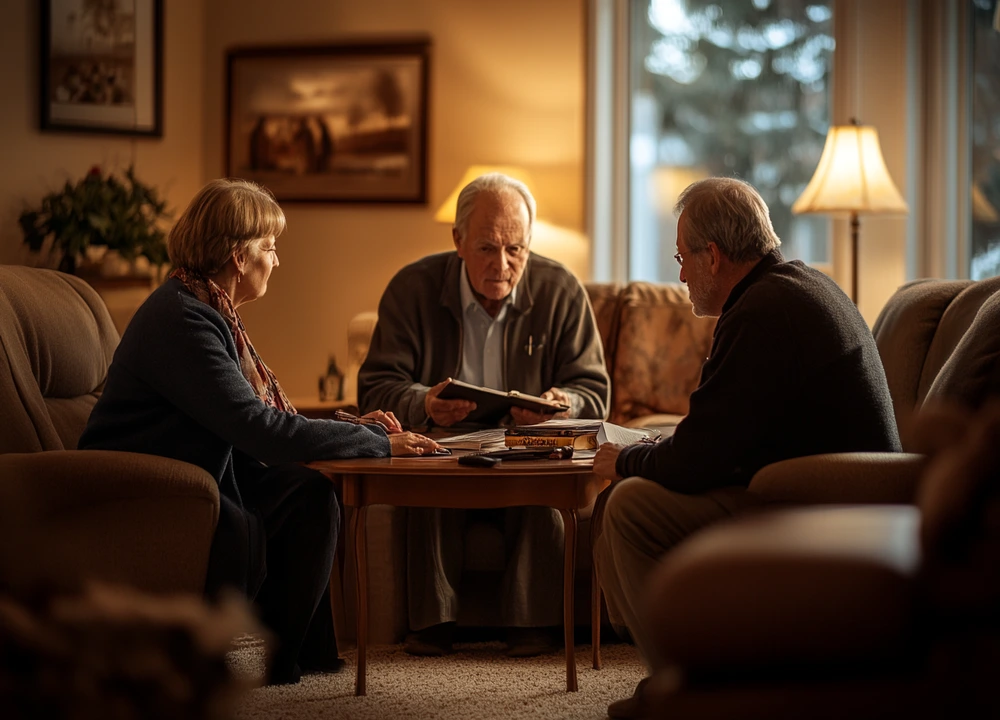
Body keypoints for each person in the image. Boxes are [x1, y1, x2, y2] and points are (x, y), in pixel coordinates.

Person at [78, 178, 440, 686]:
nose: (277, 260)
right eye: (270, 248)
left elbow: (257, 415)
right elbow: (259, 429)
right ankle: (277, 660)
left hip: (202, 474)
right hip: (151, 492)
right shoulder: (182, 319)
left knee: (308, 492)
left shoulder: (207, 309)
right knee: (302, 490)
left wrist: (353, 426)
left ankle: (291, 657)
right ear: (239, 256)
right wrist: (379, 443)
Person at [593, 177, 901, 719]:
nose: (680, 275)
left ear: (712, 256)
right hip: (831, 498)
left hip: (820, 508)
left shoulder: (762, 313)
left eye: (682, 258)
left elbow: (699, 461)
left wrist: (626, 458)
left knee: (630, 506)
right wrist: (658, 450)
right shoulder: (799, 286)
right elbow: (727, 434)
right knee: (639, 487)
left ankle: (686, 691)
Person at [357, 172, 610, 657]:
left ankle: (533, 625)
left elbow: (593, 392)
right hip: (443, 447)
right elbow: (375, 387)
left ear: (529, 243)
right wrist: (424, 402)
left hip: (526, 449)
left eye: (516, 249)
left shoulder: (560, 290)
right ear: (458, 240)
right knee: (429, 480)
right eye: (487, 248)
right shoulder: (412, 288)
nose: (502, 264)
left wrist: (560, 405)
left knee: (544, 484)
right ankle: (432, 624)